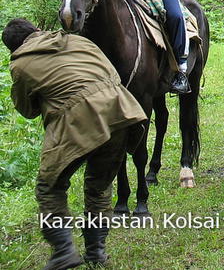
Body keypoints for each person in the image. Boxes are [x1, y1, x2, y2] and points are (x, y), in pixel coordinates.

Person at [3, 18, 146, 269]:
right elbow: (110, 72)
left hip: (76, 120)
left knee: (49, 187)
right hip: (119, 110)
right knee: (99, 185)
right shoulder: (77, 40)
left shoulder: (20, 64)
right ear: (37, 29)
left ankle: (63, 251)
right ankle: (96, 252)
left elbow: (27, 110)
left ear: (13, 49)